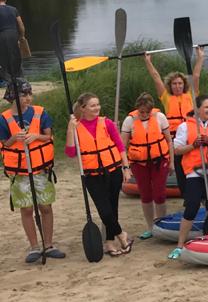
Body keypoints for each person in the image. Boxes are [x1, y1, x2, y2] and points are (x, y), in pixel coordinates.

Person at [65, 92, 133, 257]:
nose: (97, 108)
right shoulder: (76, 127)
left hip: (113, 170)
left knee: (112, 207)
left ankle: (109, 242)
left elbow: (119, 145)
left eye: (98, 104)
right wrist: (70, 129)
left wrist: (126, 167)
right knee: (105, 211)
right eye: (92, 105)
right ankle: (122, 235)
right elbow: (71, 152)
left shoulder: (106, 123)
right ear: (83, 108)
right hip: (92, 175)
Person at [1, 80, 63, 262]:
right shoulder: (3, 118)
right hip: (19, 171)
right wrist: (14, 138)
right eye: (23, 95)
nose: (28, 98)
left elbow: (48, 135)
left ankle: (49, 245)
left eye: (30, 94)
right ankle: (34, 247)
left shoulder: (39, 112)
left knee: (45, 206)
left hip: (40, 168)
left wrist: (36, 136)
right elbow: (5, 143)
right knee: (27, 209)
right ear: (13, 97)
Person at [167, 95, 208, 260]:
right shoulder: (185, 127)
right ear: (197, 109)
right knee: (192, 206)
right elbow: (177, 150)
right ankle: (180, 245)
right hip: (195, 172)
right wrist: (193, 145)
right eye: (206, 107)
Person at [144, 47, 204, 190]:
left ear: (184, 85)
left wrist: (200, 57)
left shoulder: (191, 96)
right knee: (178, 165)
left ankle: (198, 190)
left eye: (180, 83)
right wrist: (148, 62)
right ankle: (185, 194)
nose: (177, 86)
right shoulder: (166, 97)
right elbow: (156, 78)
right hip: (174, 137)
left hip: (190, 134)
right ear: (170, 85)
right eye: (174, 84)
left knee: (194, 163)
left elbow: (195, 76)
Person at [121, 92, 173, 240]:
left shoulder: (160, 117)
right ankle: (151, 227)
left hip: (159, 160)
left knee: (160, 193)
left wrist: (172, 163)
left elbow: (169, 141)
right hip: (139, 163)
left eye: (147, 112)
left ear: (151, 110)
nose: (144, 114)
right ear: (137, 109)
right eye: (141, 111)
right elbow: (122, 146)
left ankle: (162, 225)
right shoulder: (129, 121)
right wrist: (126, 167)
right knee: (145, 194)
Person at [0, 0, 27, 78]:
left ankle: (7, 79)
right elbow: (21, 25)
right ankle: (19, 79)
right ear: (5, 0)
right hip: (14, 34)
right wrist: (22, 37)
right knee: (16, 56)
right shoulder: (14, 9)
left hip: (2, 34)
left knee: (3, 57)